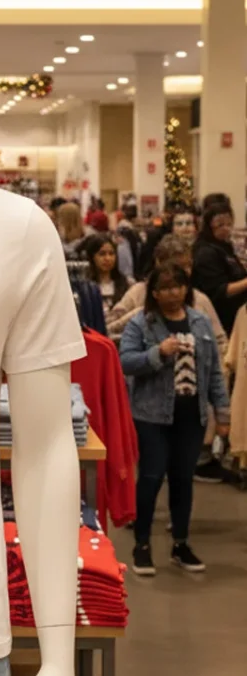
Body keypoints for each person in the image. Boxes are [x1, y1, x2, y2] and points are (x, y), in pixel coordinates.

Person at [120, 263, 230, 577]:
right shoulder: (142, 324)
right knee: (152, 477)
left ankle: (180, 543)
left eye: (179, 286)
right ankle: (142, 545)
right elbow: (126, 361)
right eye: (166, 287)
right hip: (151, 416)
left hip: (191, 416)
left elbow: (214, 374)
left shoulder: (201, 323)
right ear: (154, 292)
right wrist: (157, 353)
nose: (173, 293)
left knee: (183, 479)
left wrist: (222, 414)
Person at [107, 235, 228, 356]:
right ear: (159, 263)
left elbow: (220, 341)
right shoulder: (138, 292)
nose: (186, 272)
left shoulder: (200, 299)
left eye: (189, 265)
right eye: (179, 267)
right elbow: (109, 330)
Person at [192, 199, 247, 335]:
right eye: (220, 225)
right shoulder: (206, 252)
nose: (226, 228)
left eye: (229, 224)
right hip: (222, 317)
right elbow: (219, 291)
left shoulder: (223, 245)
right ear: (210, 226)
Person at [84, 234, 132, 315]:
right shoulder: (86, 286)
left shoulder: (127, 284)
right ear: (92, 257)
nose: (108, 258)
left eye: (111, 253)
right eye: (102, 254)